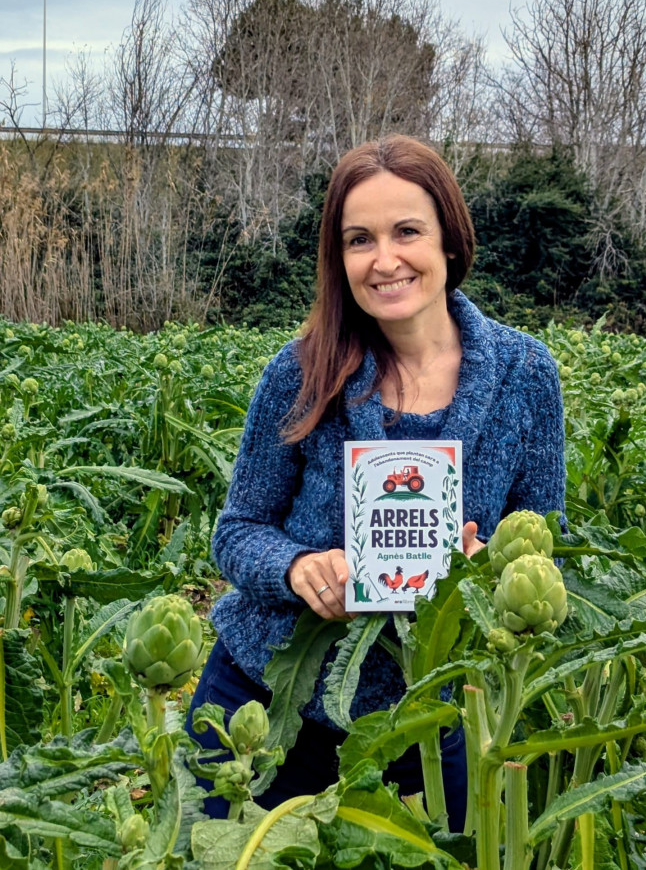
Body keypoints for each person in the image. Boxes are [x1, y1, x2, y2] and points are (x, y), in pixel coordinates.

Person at [186, 134, 566, 828]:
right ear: (339, 258)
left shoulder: (526, 376)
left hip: (430, 712)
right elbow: (237, 531)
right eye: (359, 239)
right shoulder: (301, 372)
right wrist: (298, 566)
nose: (384, 259)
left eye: (407, 231)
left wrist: (490, 577)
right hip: (271, 700)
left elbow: (548, 542)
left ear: (450, 240)